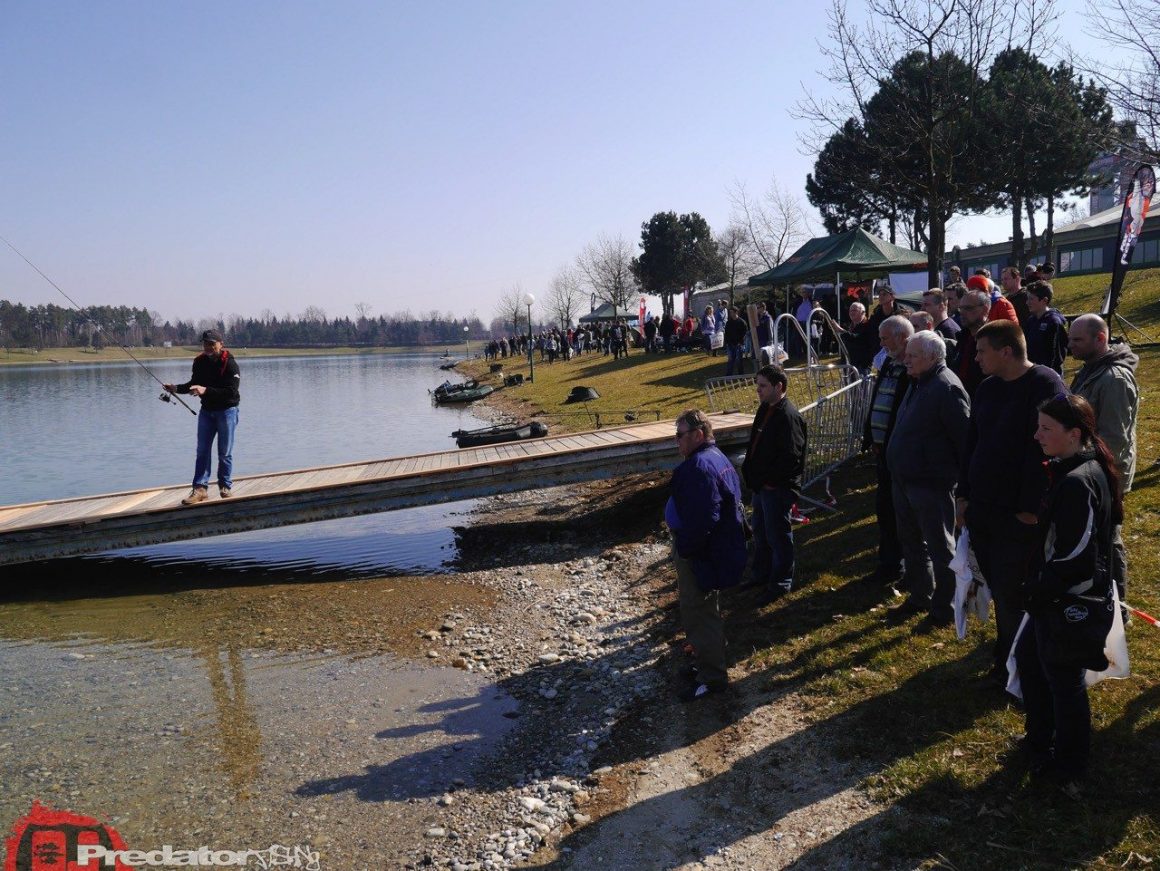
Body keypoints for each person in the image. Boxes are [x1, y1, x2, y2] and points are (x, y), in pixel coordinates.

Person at [1014, 394, 1122, 787]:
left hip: (1069, 598)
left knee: (1064, 680)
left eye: (1046, 428)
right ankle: (1040, 739)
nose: (1037, 435)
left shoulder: (1079, 481)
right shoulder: (1071, 467)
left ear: (1074, 434)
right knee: (1030, 661)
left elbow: (1077, 554)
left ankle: (1069, 765)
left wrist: (1040, 589)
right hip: (1052, 594)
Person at [957, 320, 1065, 685]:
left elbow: (1045, 452)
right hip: (983, 508)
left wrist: (1030, 509)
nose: (976, 357)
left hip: (1018, 514)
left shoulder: (1044, 384)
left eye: (982, 350)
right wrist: (963, 494)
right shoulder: (987, 388)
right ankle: (1008, 658)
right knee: (999, 587)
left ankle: (1015, 668)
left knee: (1013, 593)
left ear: (1006, 351)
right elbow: (973, 441)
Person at [885, 331, 970, 630]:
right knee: (912, 543)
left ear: (933, 357)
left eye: (913, 355)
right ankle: (921, 595)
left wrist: (961, 487)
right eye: (907, 354)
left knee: (939, 546)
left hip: (931, 483)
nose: (905, 360)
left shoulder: (946, 388)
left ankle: (944, 608)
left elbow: (964, 441)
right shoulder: (919, 381)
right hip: (905, 480)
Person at [666, 410, 748, 701]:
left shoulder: (700, 466)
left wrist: (685, 549)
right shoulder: (715, 457)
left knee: (699, 613)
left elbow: (705, 519)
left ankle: (712, 678)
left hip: (700, 552)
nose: (676, 441)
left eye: (680, 435)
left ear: (698, 434)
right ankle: (707, 661)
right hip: (711, 550)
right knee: (706, 609)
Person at [1068, 314, 1139, 606]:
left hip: (1104, 475)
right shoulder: (1089, 370)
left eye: (1077, 340)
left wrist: (1102, 480)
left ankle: (1117, 606)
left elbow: (1114, 440)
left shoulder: (1113, 379)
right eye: (1070, 339)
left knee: (1109, 540)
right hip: (1086, 470)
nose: (1070, 345)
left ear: (1100, 339)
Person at [742, 364, 807, 604]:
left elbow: (792, 456)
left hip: (776, 488)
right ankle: (762, 574)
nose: (757, 390)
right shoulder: (766, 408)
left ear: (779, 386)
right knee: (760, 530)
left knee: (778, 535)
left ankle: (780, 582)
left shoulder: (788, 416)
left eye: (763, 386)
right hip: (762, 486)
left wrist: (772, 482)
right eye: (757, 385)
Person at [862, 315, 914, 586]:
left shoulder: (912, 368)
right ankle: (888, 561)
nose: (881, 343)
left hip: (900, 453)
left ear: (902, 337)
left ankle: (902, 565)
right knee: (884, 508)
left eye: (885, 338)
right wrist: (870, 435)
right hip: (882, 450)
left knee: (899, 511)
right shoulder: (890, 363)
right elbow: (878, 398)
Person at [164, 329, 242, 505]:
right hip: (207, 412)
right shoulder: (199, 362)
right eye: (206, 343)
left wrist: (205, 390)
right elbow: (193, 384)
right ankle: (200, 489)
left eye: (212, 344)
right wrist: (175, 388)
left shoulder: (230, 364)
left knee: (225, 452)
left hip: (227, 411)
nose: (208, 347)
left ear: (221, 344)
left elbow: (231, 391)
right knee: (202, 451)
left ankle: (225, 486)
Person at [1023, 281, 1068, 374]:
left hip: (1050, 375)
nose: (1027, 302)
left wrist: (1048, 374)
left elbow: (1057, 354)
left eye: (1031, 299)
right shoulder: (1031, 320)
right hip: (1032, 372)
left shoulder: (1054, 322)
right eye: (1027, 299)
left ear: (1044, 300)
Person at [954, 288, 990, 398]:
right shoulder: (963, 337)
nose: (962, 313)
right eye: (961, 308)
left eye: (968, 308)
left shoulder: (993, 340)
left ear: (985, 309)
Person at [1000, 266, 1031, 331]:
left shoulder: (1027, 296)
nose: (1003, 282)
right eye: (1002, 279)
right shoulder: (1006, 299)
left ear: (1017, 279)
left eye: (1006, 279)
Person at [724, 306, 748, 376]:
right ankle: (728, 376)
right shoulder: (728, 322)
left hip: (739, 344)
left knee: (739, 361)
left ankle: (741, 375)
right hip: (730, 344)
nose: (731, 314)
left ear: (736, 312)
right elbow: (727, 333)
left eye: (732, 312)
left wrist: (740, 343)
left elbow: (745, 333)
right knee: (730, 360)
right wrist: (728, 343)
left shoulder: (742, 322)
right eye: (730, 312)